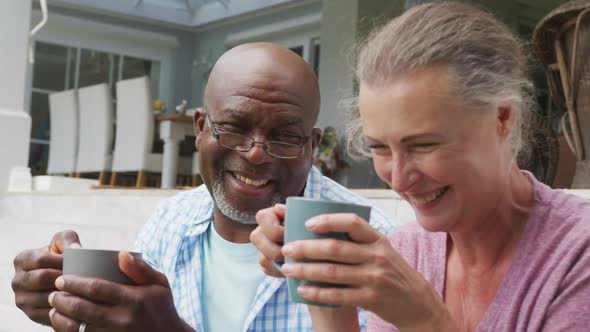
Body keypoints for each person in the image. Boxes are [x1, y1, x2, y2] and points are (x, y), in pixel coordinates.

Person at [251, 3, 590, 332]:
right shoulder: (409, 249)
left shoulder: (575, 254)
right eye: (379, 148)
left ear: (501, 119)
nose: (399, 179)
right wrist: (324, 289)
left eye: (424, 145)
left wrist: (422, 318)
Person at [11, 42, 396, 332]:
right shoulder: (173, 221)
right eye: (232, 128)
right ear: (199, 129)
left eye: (284, 137)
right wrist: (70, 300)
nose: (256, 154)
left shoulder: (369, 244)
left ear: (312, 147)